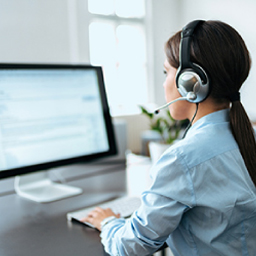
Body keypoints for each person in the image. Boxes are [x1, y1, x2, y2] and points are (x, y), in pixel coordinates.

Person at [82, 20, 256, 256]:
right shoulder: (248, 137)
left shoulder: (184, 159)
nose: (164, 83)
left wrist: (108, 222)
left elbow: (129, 247)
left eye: (167, 72)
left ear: (191, 83)